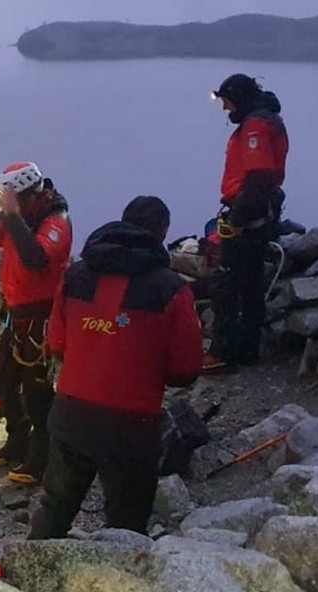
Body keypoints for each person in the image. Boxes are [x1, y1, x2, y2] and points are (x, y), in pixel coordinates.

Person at [29, 196, 203, 539]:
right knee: (127, 524)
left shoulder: (76, 275)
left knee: (56, 508)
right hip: (131, 425)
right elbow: (185, 370)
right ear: (163, 232)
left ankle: (20, 583)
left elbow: (57, 346)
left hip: (70, 415)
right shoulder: (171, 289)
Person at [0, 162, 72, 485]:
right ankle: (18, 438)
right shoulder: (18, 218)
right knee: (2, 380)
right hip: (17, 315)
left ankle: (41, 458)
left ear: (29, 194)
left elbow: (36, 258)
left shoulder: (56, 219)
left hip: (43, 316)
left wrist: (13, 215)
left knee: (38, 391)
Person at [207, 74, 289, 369]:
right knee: (251, 286)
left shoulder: (255, 126)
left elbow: (258, 176)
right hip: (259, 212)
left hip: (249, 215)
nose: (226, 110)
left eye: (227, 102)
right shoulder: (265, 120)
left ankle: (224, 353)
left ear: (238, 98)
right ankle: (247, 350)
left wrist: (238, 218)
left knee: (227, 285)